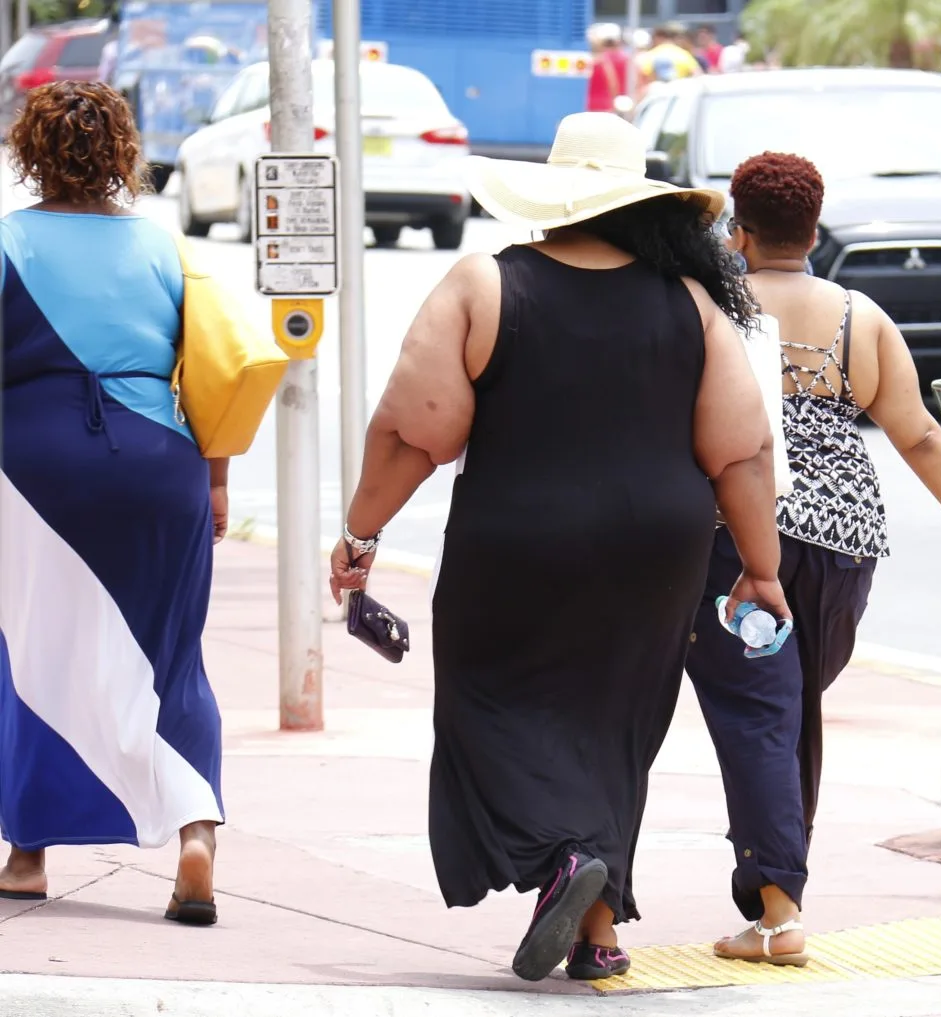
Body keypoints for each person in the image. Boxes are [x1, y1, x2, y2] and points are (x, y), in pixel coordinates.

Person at [329, 112, 791, 983]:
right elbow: (742, 451)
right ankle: (598, 928)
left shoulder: (487, 284)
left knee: (488, 699)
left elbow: (413, 430)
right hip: (658, 547)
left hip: (518, 536)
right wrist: (761, 570)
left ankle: (564, 858)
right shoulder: (692, 303)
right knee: (616, 719)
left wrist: (361, 531)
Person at [685, 151, 941, 966]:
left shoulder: (710, 307)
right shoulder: (857, 317)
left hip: (740, 537)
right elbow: (920, 433)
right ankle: (775, 897)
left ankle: (778, 908)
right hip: (843, 545)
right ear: (815, 229)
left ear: (740, 230)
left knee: (762, 712)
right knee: (792, 706)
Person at [0, 83, 226, 925]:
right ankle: (195, 830)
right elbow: (215, 370)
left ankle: (28, 855)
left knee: (32, 651)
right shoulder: (165, 248)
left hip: (34, 468)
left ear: (31, 152)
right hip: (161, 463)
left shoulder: (8, 240)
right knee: (174, 656)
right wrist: (216, 481)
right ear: (122, 153)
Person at [635, 22, 702, 102]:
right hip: (681, 99)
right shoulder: (683, 54)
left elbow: (641, 80)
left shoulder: (651, 55)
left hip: (656, 100)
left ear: (658, 37)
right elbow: (698, 75)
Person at [585, 23, 629, 114]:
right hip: (607, 106)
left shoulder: (589, 62)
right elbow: (613, 84)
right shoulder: (625, 58)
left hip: (588, 105)